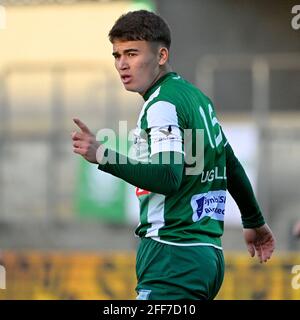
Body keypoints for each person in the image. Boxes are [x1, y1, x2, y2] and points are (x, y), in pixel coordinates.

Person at [71, 10, 275, 300]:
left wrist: (102, 154)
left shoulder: (162, 104)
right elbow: (229, 162)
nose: (122, 65)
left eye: (132, 53)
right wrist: (254, 220)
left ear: (161, 56)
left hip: (172, 255)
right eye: (117, 55)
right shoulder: (196, 98)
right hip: (206, 256)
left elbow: (168, 176)